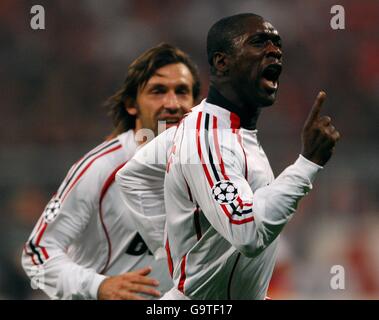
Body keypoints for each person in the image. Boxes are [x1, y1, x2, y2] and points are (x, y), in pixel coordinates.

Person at [116, 13, 340, 299]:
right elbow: (248, 233)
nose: (275, 51)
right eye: (260, 42)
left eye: (277, 43)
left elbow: (134, 175)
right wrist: (307, 164)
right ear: (222, 62)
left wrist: (174, 244)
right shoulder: (207, 137)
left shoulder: (212, 127)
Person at [21, 43, 201, 300]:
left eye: (182, 92)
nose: (172, 103)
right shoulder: (101, 167)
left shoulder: (208, 168)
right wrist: (98, 286)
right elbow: (36, 254)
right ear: (131, 104)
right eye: (158, 91)